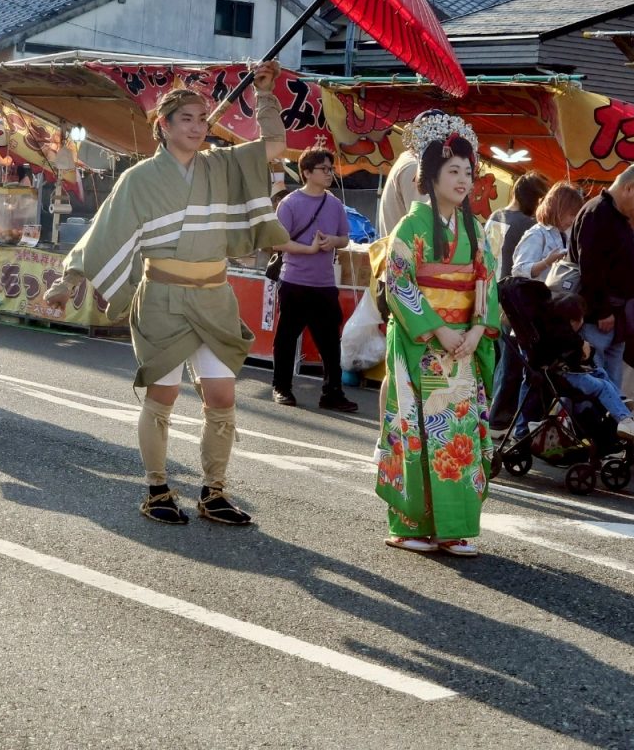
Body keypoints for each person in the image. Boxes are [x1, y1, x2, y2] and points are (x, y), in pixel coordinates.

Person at [45, 63, 289, 526]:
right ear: (163, 126)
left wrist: (265, 94)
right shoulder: (138, 178)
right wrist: (66, 282)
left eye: (202, 119)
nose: (198, 127)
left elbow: (273, 146)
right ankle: (157, 489)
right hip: (162, 298)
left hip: (215, 296)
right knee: (163, 395)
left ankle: (214, 492)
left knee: (222, 397)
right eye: (187, 119)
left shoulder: (222, 165)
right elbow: (103, 233)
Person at [376, 114, 499, 557]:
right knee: (416, 431)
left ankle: (455, 527)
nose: (463, 180)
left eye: (468, 172)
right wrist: (440, 330)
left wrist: (477, 328)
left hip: (462, 345)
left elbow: (487, 280)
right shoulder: (409, 228)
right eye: (453, 171)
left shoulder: (475, 229)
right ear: (428, 177)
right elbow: (399, 283)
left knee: (457, 435)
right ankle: (409, 524)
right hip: (423, 344)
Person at [271, 144, 358, 413]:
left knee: (330, 342)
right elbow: (277, 242)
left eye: (331, 168)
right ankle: (281, 387)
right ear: (307, 172)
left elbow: (345, 238)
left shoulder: (335, 204)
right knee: (286, 337)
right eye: (324, 168)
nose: (330, 173)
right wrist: (308, 248)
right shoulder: (290, 203)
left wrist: (333, 241)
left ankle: (332, 392)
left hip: (324, 284)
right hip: (295, 280)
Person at [568, 164, 634, 390]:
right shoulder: (597, 213)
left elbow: (625, 273)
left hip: (617, 320)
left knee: (611, 385)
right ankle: (589, 425)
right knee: (591, 384)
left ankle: (610, 424)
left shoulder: (620, 219)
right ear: (628, 188)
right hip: (597, 320)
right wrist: (602, 310)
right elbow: (590, 268)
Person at [518, 291, 634, 442]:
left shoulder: (546, 329)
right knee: (603, 386)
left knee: (599, 372)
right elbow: (582, 358)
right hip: (564, 377)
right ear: (574, 319)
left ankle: (619, 399)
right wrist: (583, 346)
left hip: (554, 374)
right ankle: (625, 419)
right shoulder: (569, 338)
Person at [485, 171, 549, 431]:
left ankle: (494, 413)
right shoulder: (527, 225)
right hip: (514, 299)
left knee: (500, 358)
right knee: (510, 364)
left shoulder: (495, 217)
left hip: (492, 295)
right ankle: (499, 417)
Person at [512, 182, 583, 281]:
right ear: (558, 208)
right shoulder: (537, 234)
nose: (573, 220)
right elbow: (519, 270)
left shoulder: (566, 235)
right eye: (571, 214)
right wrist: (546, 262)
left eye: (575, 215)